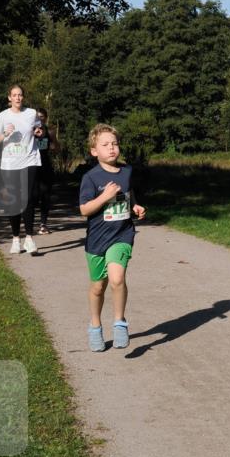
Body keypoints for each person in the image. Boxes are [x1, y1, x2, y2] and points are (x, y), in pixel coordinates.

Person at [79, 124, 146, 352]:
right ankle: (95, 325)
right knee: (98, 287)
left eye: (114, 144)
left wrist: (135, 206)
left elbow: (129, 195)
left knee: (117, 278)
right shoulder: (90, 178)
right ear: (94, 151)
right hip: (97, 240)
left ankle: (119, 322)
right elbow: (84, 210)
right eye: (105, 145)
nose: (111, 148)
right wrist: (105, 197)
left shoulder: (126, 171)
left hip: (122, 234)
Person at [0, 84, 43, 254]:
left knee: (28, 199)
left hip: (30, 160)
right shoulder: (2, 116)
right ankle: (16, 239)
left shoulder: (31, 113)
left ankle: (29, 239)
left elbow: (39, 129)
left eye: (20, 95)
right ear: (9, 98)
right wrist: (5, 134)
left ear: (23, 97)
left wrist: (39, 132)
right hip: (10, 163)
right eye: (14, 95)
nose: (18, 98)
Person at [34, 107, 59, 233]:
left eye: (42, 117)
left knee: (45, 195)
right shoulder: (29, 131)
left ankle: (43, 224)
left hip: (45, 166)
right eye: (37, 117)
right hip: (31, 166)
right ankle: (29, 221)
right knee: (33, 195)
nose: (39, 119)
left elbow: (56, 148)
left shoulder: (50, 131)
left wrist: (52, 142)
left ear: (46, 118)